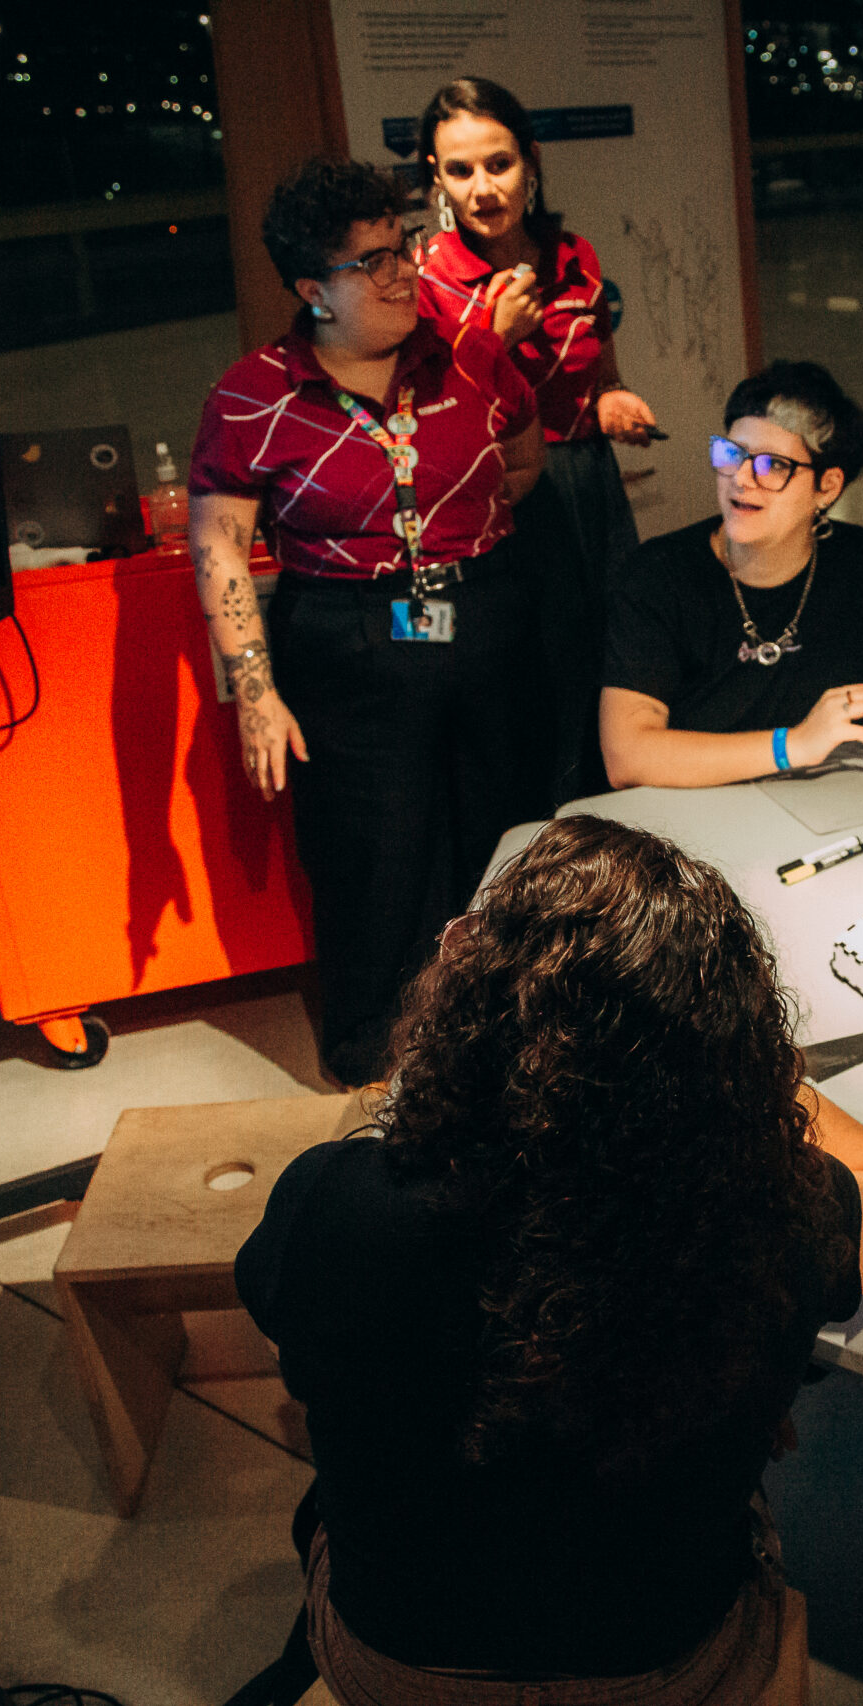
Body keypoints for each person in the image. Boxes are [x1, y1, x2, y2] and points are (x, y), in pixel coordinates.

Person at [236, 815, 863, 1704]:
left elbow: (282, 1332)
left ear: (473, 1010)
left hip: (393, 1665)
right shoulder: (772, 1216)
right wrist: (738, 1064)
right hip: (668, 1669)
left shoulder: (338, 1199)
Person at [189, 155, 546, 1086]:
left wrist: (465, 531)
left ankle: (510, 1030)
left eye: (403, 248)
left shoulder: (469, 352)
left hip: (483, 610)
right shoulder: (252, 396)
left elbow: (523, 454)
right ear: (313, 291)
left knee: (502, 829)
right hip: (348, 633)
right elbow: (219, 543)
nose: (402, 275)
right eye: (371, 263)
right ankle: (384, 1056)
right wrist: (255, 691)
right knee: (373, 851)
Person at [418, 77, 655, 803]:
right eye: (461, 170)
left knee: (614, 655)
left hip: (588, 482)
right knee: (531, 678)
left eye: (500, 164)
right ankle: (545, 834)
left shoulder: (575, 255)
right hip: (505, 496)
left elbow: (601, 373)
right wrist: (491, 339)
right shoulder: (428, 280)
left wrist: (613, 400)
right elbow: (430, 424)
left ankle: (619, 819)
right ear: (436, 178)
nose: (483, 188)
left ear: (532, 160)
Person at [600, 360, 863, 787]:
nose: (741, 479)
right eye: (732, 454)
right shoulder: (658, 574)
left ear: (827, 488)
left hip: (825, 801)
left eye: (772, 465)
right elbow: (627, 756)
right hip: (688, 810)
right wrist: (792, 746)